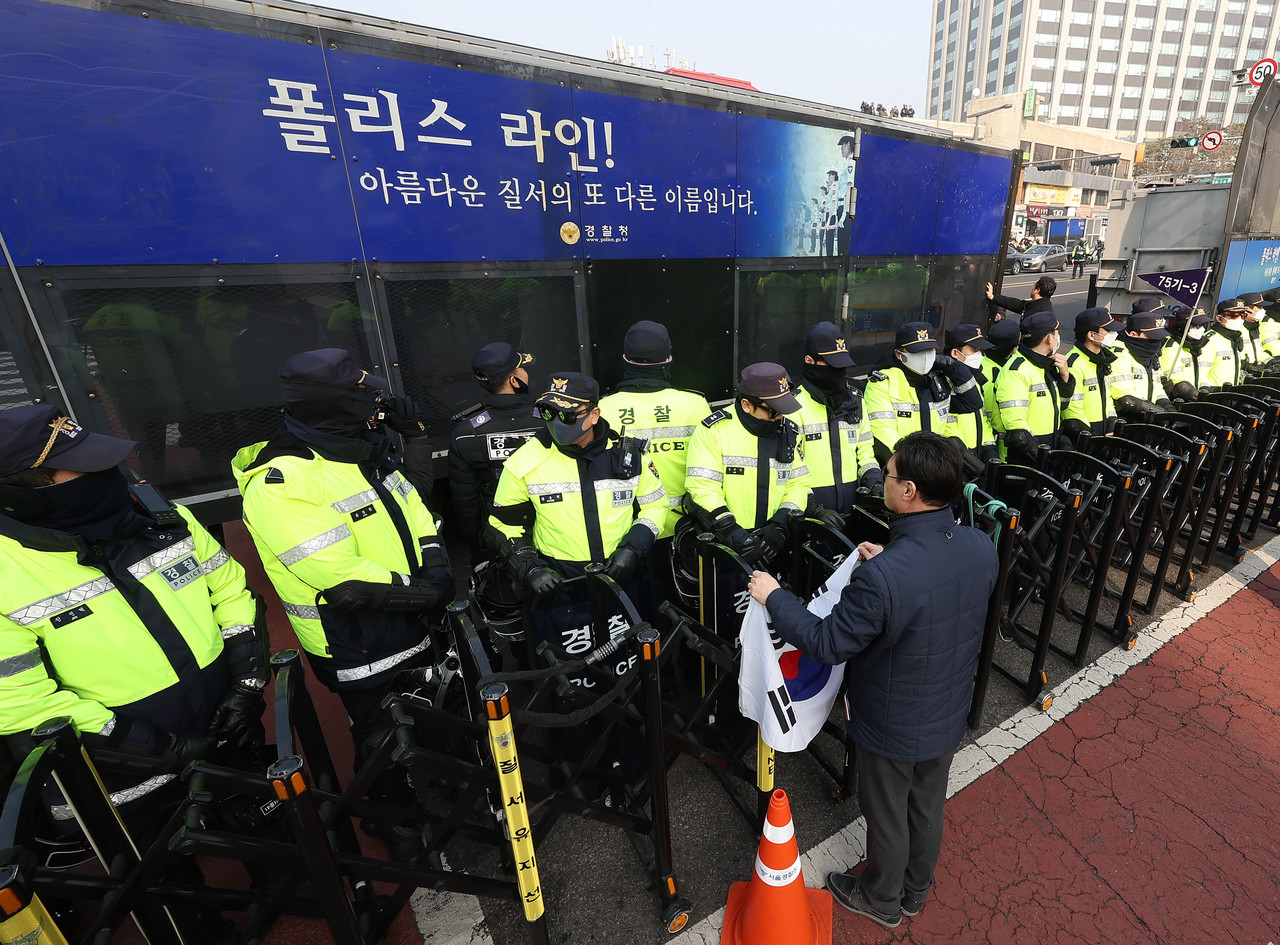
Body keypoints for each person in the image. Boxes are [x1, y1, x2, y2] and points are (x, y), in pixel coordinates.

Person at [0, 405, 268, 927]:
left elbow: (230, 589)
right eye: (82, 466)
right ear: (19, 491)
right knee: (164, 881)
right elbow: (19, 700)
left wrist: (248, 680)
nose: (106, 473)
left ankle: (288, 891)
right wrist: (153, 748)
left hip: (226, 721)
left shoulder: (154, 511)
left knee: (264, 829)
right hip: (121, 769)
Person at [745, 431, 998, 928]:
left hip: (892, 718)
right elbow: (936, 590)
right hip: (948, 705)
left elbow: (825, 642)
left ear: (909, 493)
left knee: (885, 810)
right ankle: (915, 891)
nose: (883, 478)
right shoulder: (977, 545)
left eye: (888, 474)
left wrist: (774, 596)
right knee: (926, 803)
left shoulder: (884, 577)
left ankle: (882, 898)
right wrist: (889, 563)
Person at [232, 348, 452, 859]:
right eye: (360, 391)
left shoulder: (362, 449)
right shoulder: (282, 481)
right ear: (328, 404)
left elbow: (414, 506)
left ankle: (433, 788)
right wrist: (424, 589)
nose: (375, 398)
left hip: (412, 610)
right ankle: (394, 823)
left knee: (424, 711)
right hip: (354, 638)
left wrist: (435, 563)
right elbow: (335, 574)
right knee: (380, 731)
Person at [684, 363, 811, 566]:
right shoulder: (714, 430)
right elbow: (702, 487)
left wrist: (781, 524)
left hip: (775, 542)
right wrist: (733, 533)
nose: (780, 418)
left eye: (783, 411)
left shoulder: (789, 431)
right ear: (746, 405)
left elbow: (799, 484)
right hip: (727, 545)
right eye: (773, 412)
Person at [448, 342, 541, 562]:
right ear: (513, 380)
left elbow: (465, 501)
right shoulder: (548, 422)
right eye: (522, 368)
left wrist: (478, 548)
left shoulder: (466, 432)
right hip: (551, 527)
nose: (527, 373)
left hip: (500, 537)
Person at [791, 322, 883, 519]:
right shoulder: (793, 406)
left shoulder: (855, 401)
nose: (839, 371)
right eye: (832, 365)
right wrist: (811, 507)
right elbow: (790, 468)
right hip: (812, 515)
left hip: (853, 509)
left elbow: (866, 451)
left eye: (842, 365)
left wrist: (875, 482)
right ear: (809, 360)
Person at [863, 322, 984, 465]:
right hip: (905, 469)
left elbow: (972, 403)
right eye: (917, 351)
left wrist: (954, 366)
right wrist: (924, 467)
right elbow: (885, 437)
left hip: (937, 468)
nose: (926, 356)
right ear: (899, 354)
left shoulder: (938, 378)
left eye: (930, 349)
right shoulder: (883, 383)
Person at [993, 311, 1075, 465]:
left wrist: (1065, 377)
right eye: (1057, 333)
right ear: (1049, 338)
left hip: (1045, 453)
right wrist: (1044, 460)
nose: (1058, 338)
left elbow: (1061, 405)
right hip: (1025, 462)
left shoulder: (1045, 365)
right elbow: (1017, 430)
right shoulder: (1017, 371)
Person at [1062, 307, 1125, 442]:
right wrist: (1092, 437)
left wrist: (1112, 424)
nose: (1113, 334)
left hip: (1103, 433)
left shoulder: (1102, 360)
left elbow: (1108, 399)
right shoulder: (1073, 364)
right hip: (1084, 437)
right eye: (1107, 330)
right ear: (1091, 335)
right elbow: (1073, 409)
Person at [941, 324, 997, 467]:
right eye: (974, 349)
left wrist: (989, 450)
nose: (980, 354)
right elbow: (943, 423)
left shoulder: (974, 380)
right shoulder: (943, 382)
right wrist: (965, 457)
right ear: (955, 353)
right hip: (955, 461)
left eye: (980, 350)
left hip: (977, 455)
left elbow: (982, 418)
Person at [1109, 310, 1173, 420]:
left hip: (1148, 417)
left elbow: (1157, 388)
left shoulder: (1151, 354)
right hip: (1126, 419)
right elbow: (1124, 396)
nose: (1157, 341)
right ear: (1134, 334)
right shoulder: (1119, 354)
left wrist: (1168, 407)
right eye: (1152, 336)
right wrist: (1159, 412)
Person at [980, 318, 1022, 439]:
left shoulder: (979, 368)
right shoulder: (1014, 371)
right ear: (1014, 348)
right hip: (1005, 441)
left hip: (986, 441)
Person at [1161, 306, 1214, 401]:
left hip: (1199, 400)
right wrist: (1195, 395)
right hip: (1180, 400)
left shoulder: (1201, 345)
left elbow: (1204, 375)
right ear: (1182, 326)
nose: (1201, 329)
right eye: (1196, 325)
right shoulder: (1171, 347)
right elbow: (1175, 380)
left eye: (1203, 324)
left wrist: (1206, 390)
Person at [1205, 298, 1250, 388]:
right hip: (1214, 392)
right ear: (1219, 318)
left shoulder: (1235, 337)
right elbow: (1201, 372)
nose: (1239, 319)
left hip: (1233, 391)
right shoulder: (1209, 340)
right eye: (1234, 316)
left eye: (1243, 315)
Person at [986, 275, 1057, 322]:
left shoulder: (1039, 312)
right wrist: (993, 297)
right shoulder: (1041, 305)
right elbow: (1015, 304)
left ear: (1037, 290)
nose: (1032, 288)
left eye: (1034, 286)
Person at [1238, 291, 1269, 366]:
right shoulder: (1237, 330)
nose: (1262, 310)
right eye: (1259, 307)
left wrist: (1271, 361)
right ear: (1247, 309)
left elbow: (1259, 351)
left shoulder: (1255, 326)